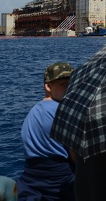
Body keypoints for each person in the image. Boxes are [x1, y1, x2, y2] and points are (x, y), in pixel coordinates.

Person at [17, 62, 76, 201]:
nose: (70, 89)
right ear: (48, 86)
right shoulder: (63, 112)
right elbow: (76, 156)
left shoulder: (34, 111)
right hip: (61, 181)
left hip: (33, 180)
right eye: (64, 84)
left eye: (72, 84)